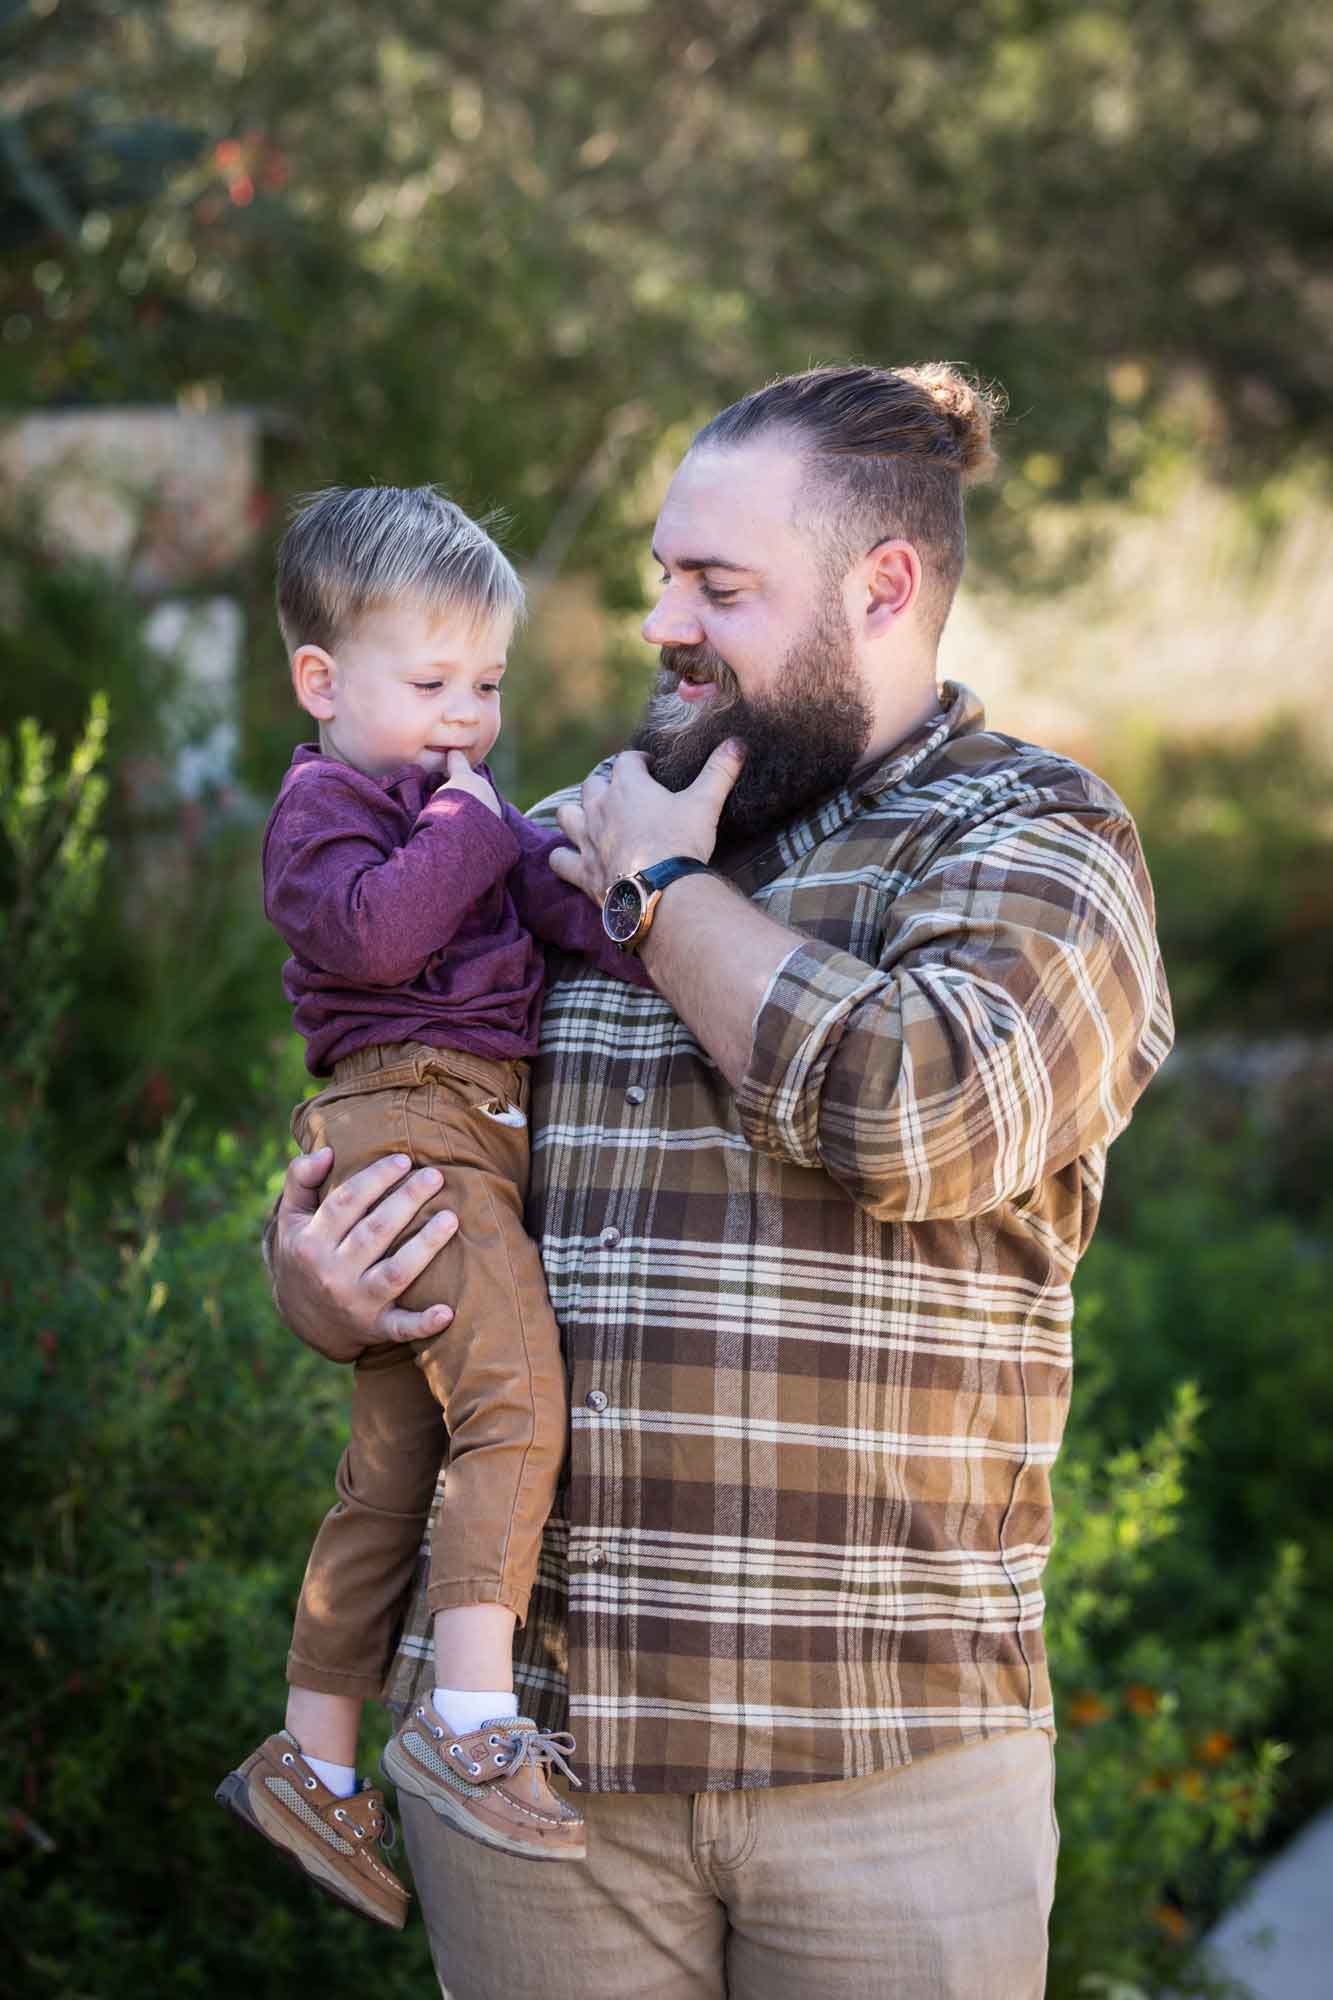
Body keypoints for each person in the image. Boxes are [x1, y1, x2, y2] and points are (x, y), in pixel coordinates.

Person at [267, 365, 1175, 1998]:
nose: (658, 623)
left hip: (883, 1769)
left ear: (880, 587)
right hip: (537, 1766)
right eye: (660, 572)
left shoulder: (1032, 839)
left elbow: (924, 1114)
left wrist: (662, 889)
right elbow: (389, 1105)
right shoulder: (554, 831)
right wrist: (317, 1274)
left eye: (717, 585)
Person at [217, 486, 648, 1932]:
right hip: (412, 1119)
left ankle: (315, 1766)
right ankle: (471, 1728)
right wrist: (477, 823)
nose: (466, 717)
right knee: (517, 1404)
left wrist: (649, 902)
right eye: (430, 685)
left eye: (487, 686)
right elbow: (377, 930)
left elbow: (565, 910)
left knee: (393, 1465)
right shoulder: (323, 806)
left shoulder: (456, 808)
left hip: (458, 1128)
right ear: (321, 684)